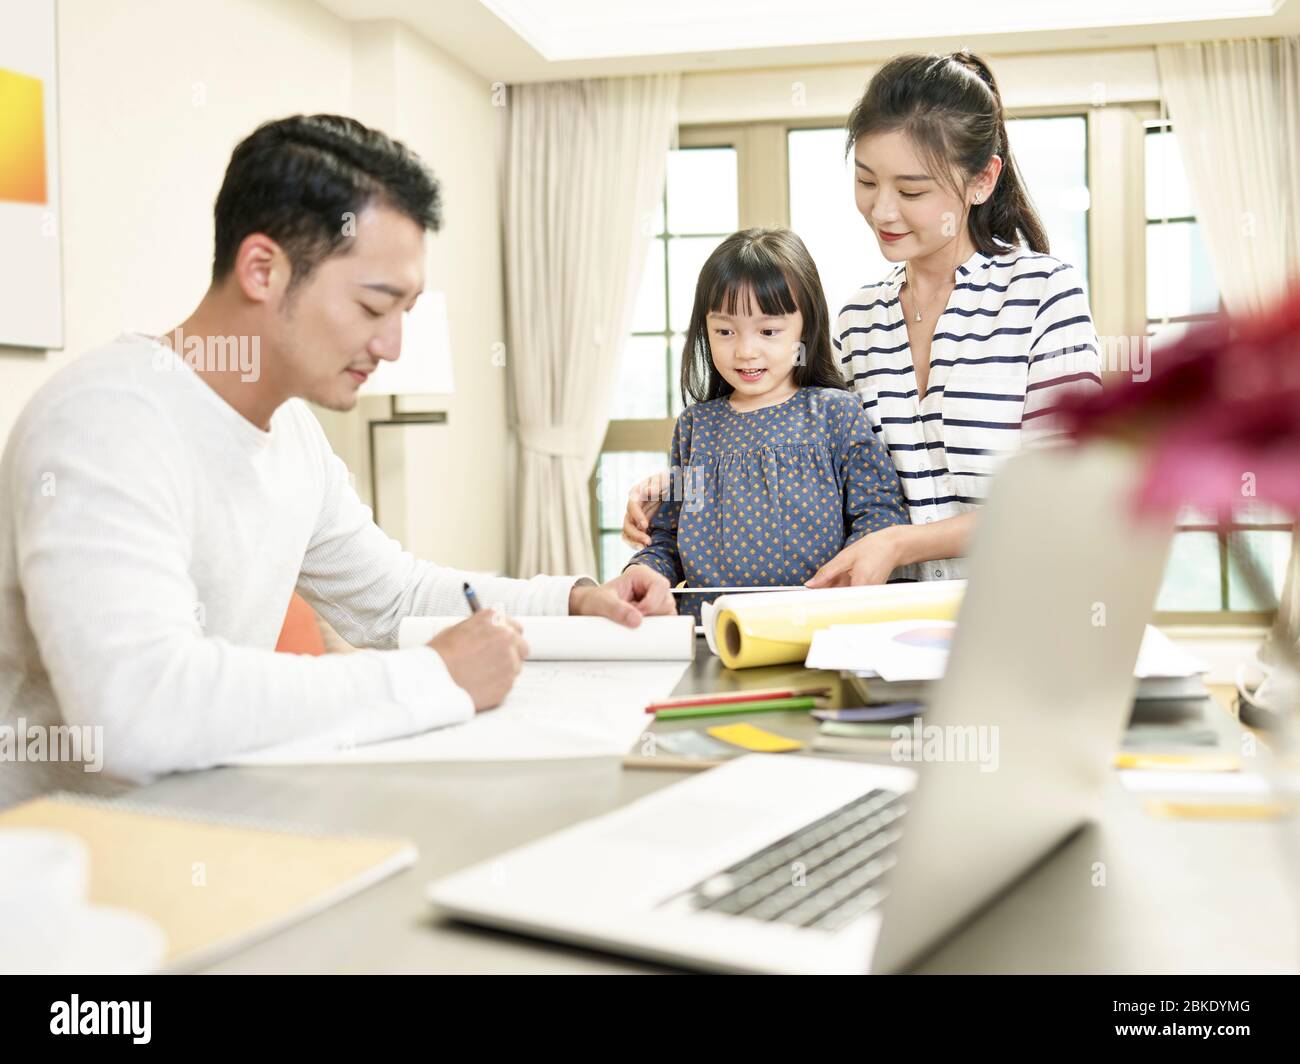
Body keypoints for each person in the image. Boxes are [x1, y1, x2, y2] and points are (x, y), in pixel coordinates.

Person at [0, 114, 673, 800]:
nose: (392, 346)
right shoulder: (105, 423)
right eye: (374, 306)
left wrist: (573, 599)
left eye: (405, 311)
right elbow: (137, 713)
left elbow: (391, 598)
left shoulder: (290, 432)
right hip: (63, 866)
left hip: (203, 823)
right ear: (262, 269)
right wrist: (435, 677)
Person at [624, 51, 1101, 586]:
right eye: (867, 181)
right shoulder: (858, 321)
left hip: (1020, 612)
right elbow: (796, 443)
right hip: (882, 629)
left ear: (982, 181)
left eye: (912, 190)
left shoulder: (1042, 295)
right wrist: (678, 491)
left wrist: (901, 542)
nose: (883, 211)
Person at [622, 228, 907, 618]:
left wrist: (850, 583)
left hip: (820, 625)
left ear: (805, 329)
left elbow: (879, 514)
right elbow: (669, 540)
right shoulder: (696, 429)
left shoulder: (835, 415)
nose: (745, 350)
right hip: (716, 631)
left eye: (769, 331)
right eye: (724, 331)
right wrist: (642, 570)